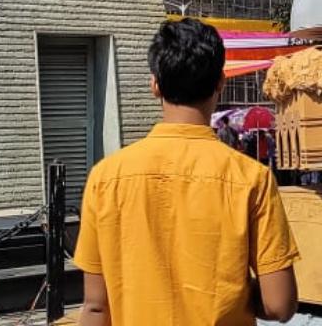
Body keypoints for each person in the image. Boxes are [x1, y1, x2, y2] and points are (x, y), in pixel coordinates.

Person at [75, 19, 300, 325]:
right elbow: (279, 304)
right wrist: (231, 293)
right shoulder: (251, 178)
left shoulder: (105, 178)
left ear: (155, 84)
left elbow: (96, 308)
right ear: (220, 82)